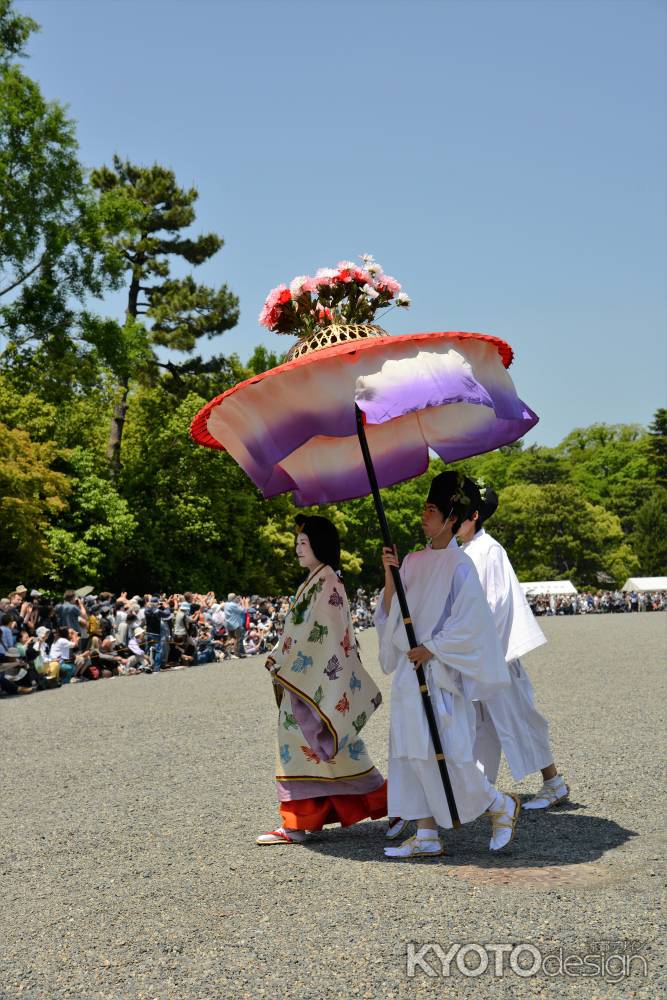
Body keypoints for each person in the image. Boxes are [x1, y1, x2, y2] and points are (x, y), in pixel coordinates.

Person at [375, 471, 521, 859]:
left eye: (432, 509)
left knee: (447, 754)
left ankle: (497, 803)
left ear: (452, 519)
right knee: (409, 752)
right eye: (424, 508)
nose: (424, 515)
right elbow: (392, 613)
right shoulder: (412, 560)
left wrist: (433, 648)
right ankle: (426, 834)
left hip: (438, 673)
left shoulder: (460, 565)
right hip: (410, 671)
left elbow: (472, 623)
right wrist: (390, 574)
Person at [256, 515, 387, 845]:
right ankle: (387, 803)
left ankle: (300, 823)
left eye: (305, 542)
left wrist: (285, 661)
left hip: (310, 680)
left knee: (312, 744)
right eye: (297, 542)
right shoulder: (319, 579)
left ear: (320, 545)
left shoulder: (326, 582)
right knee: (329, 748)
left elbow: (323, 637)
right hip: (304, 680)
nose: (298, 548)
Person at [457, 482, 569, 810]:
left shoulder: (487, 550)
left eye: (461, 514)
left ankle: (553, 782)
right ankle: (479, 789)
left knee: (516, 718)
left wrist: (474, 645)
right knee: (481, 724)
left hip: (495, 653)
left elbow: (493, 604)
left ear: (475, 516)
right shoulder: (468, 550)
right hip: (480, 653)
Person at [223, 594, 247, 658]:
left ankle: (226, 652)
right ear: (234, 598)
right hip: (235, 624)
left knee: (231, 639)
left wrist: (239, 603)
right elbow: (244, 611)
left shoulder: (226, 604)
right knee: (238, 639)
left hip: (228, 624)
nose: (237, 599)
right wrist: (244, 602)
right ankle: (237, 653)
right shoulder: (233, 605)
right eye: (236, 598)